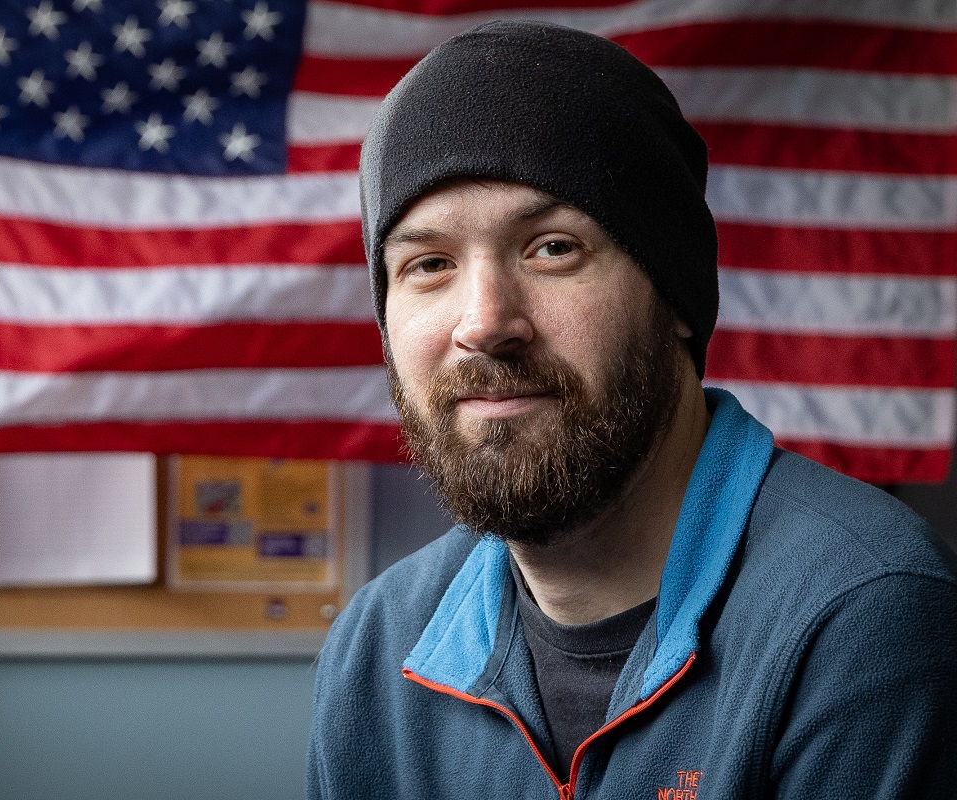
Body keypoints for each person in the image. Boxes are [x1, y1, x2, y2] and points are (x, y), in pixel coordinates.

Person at [306, 20, 957, 800]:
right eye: (429, 264)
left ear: (674, 293)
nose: (482, 321)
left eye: (551, 247)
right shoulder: (378, 647)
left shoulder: (866, 618)